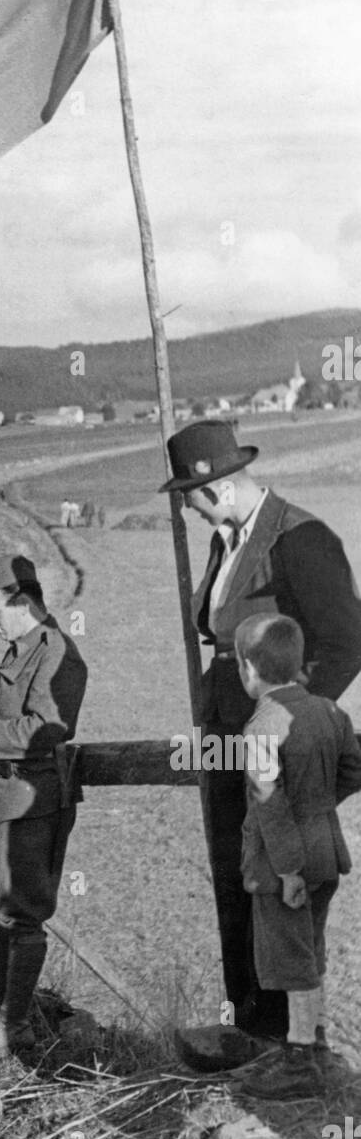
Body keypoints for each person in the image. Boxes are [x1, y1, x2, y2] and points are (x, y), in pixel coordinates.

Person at [160, 420, 361, 1071]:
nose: (186, 511)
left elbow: (344, 641)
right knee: (233, 879)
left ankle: (285, 1051)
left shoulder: (298, 538)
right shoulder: (227, 541)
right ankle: (248, 1031)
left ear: (213, 487)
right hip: (223, 741)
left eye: (188, 498)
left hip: (270, 751)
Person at [0, 554, 87, 1061]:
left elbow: (42, 731)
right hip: (4, 798)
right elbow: (8, 715)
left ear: (21, 603)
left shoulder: (56, 654)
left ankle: (14, 1027)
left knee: (22, 918)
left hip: (32, 801)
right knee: (1, 915)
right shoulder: (21, 648)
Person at [232, 614, 361, 1099]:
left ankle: (301, 1060)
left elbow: (270, 805)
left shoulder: (262, 725)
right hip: (327, 850)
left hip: (285, 865)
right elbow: (353, 769)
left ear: (248, 668)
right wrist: (320, 810)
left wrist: (287, 870)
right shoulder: (329, 710)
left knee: (292, 960)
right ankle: (317, 1047)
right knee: (312, 951)